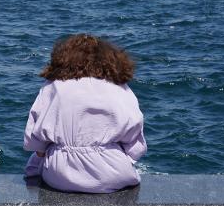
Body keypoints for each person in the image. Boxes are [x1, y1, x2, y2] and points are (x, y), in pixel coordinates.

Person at [23, 34, 147, 193]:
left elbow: (37, 138)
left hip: (60, 174)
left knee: (35, 165)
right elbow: (133, 133)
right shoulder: (119, 87)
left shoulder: (53, 87)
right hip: (113, 172)